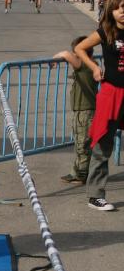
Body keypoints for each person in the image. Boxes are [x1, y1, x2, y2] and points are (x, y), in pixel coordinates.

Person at [75, 0, 124, 211]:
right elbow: (80, 49)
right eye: (119, 8)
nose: (122, 11)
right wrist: (95, 67)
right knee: (103, 145)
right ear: (111, 11)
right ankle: (95, 195)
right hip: (111, 93)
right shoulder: (106, 31)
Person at [53, 37, 98, 186]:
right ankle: (77, 171)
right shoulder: (92, 64)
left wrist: (54, 59)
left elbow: (66, 54)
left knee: (82, 144)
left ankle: (82, 175)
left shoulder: (85, 65)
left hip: (85, 111)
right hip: (83, 110)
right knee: (80, 142)